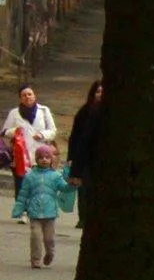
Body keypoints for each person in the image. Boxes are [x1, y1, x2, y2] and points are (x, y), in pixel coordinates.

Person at [12, 144, 71, 267]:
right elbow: (23, 194)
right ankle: (35, 260)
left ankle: (50, 253)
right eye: (41, 157)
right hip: (34, 213)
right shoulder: (30, 176)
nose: (44, 159)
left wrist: (73, 185)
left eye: (47, 157)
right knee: (35, 236)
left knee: (49, 239)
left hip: (50, 214)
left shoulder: (56, 176)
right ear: (37, 159)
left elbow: (64, 188)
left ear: (51, 160)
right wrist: (19, 209)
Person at [64, 79, 103, 229]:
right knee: (84, 188)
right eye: (98, 91)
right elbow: (76, 137)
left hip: (101, 159)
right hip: (86, 157)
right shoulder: (85, 112)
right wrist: (71, 159)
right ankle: (83, 217)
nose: (100, 95)